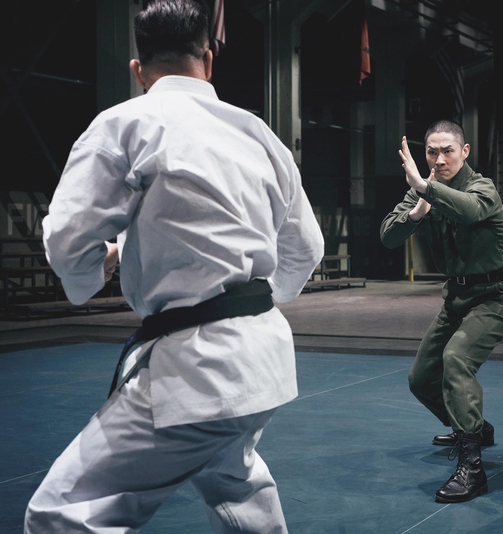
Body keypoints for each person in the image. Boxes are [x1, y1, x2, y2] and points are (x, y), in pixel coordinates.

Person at [24, 1, 324, 532]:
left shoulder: (125, 124)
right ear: (208, 59)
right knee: (235, 488)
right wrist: (247, 304)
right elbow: (307, 248)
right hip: (264, 359)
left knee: (62, 515)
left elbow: (69, 241)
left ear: (138, 70)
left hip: (196, 368)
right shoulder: (258, 133)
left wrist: (96, 270)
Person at [380, 120, 503, 503]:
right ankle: (474, 428)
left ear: (464, 151)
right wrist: (417, 211)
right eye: (431, 152)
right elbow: (388, 236)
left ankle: (472, 468)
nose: (439, 159)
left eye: (447, 151)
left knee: (456, 359)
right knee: (421, 379)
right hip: (455, 299)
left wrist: (427, 189)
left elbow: (470, 210)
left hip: (495, 296)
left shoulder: (482, 187)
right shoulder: (422, 190)